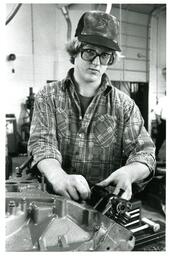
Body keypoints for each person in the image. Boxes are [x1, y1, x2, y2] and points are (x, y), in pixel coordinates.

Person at [28, 10, 156, 202]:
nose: (96, 62)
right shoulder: (48, 96)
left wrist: (130, 173)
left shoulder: (125, 105)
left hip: (103, 208)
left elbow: (145, 153)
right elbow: (42, 144)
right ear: (75, 51)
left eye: (105, 56)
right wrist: (58, 176)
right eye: (89, 52)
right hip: (56, 205)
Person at [154, 68, 166, 160]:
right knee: (160, 139)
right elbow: (157, 112)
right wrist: (159, 122)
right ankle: (155, 154)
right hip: (164, 122)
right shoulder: (163, 99)